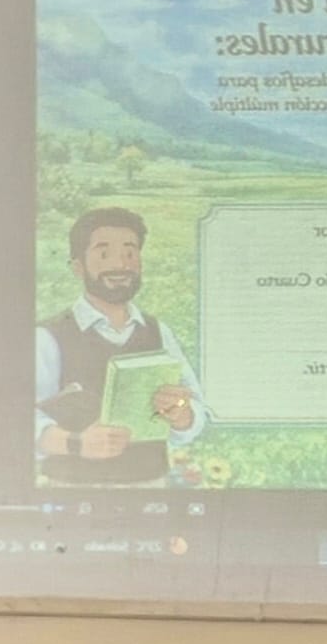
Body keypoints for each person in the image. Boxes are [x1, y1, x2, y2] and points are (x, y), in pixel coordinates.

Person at [35, 206, 207, 487]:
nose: (120, 265)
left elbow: (195, 407)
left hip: (151, 490)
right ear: (77, 266)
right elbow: (21, 420)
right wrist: (77, 443)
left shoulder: (159, 332)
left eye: (130, 253)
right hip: (72, 493)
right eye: (104, 254)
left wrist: (182, 414)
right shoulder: (47, 337)